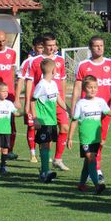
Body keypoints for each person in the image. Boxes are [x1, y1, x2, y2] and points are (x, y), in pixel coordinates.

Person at [74, 35, 111, 186]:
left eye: (101, 45)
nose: (99, 48)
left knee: (100, 140)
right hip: (88, 111)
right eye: (96, 46)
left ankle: (89, 171)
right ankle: (97, 170)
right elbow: (77, 87)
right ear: (90, 47)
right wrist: (74, 105)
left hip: (105, 109)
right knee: (91, 141)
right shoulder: (83, 65)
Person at [23, 33, 71, 172]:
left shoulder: (60, 61)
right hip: (43, 104)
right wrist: (27, 104)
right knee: (46, 138)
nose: (52, 48)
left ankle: (58, 159)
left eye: (54, 45)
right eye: (49, 46)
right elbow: (30, 82)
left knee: (65, 128)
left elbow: (62, 81)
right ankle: (44, 167)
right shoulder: (35, 61)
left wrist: (64, 102)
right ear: (42, 46)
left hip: (57, 100)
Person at [70, 76, 111, 193]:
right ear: (84, 88)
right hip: (85, 138)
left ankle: (81, 184)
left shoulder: (100, 102)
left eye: (95, 87)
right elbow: (74, 120)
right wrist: (70, 138)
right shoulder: (81, 103)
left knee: (88, 161)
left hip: (96, 138)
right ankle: (97, 185)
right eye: (90, 87)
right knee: (91, 159)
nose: (93, 89)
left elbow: (109, 112)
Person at [29, 58, 66, 183]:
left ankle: (44, 171)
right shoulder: (41, 85)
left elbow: (59, 99)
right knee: (44, 144)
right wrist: (35, 119)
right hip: (43, 121)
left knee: (48, 144)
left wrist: (69, 110)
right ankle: (45, 172)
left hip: (52, 120)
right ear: (54, 70)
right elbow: (32, 101)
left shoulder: (53, 84)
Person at [18, 37, 45, 162]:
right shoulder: (28, 62)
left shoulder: (51, 60)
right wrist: (20, 99)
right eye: (39, 47)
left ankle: (43, 152)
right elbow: (22, 80)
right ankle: (32, 153)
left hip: (45, 101)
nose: (41, 49)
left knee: (44, 126)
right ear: (34, 48)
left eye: (43, 47)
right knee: (32, 126)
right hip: (32, 99)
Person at [0, 82, 21, 174]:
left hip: (7, 131)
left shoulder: (9, 103)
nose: (5, 93)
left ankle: (3, 167)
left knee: (5, 150)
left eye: (6, 91)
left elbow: (15, 113)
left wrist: (23, 113)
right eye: (3, 91)